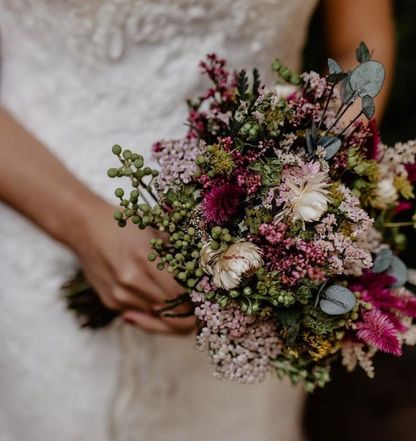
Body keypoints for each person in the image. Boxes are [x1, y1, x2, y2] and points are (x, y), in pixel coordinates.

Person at [0, 1, 395, 440]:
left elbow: (360, 45)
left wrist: (294, 197)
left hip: (251, 290)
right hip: (39, 240)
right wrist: (83, 224)